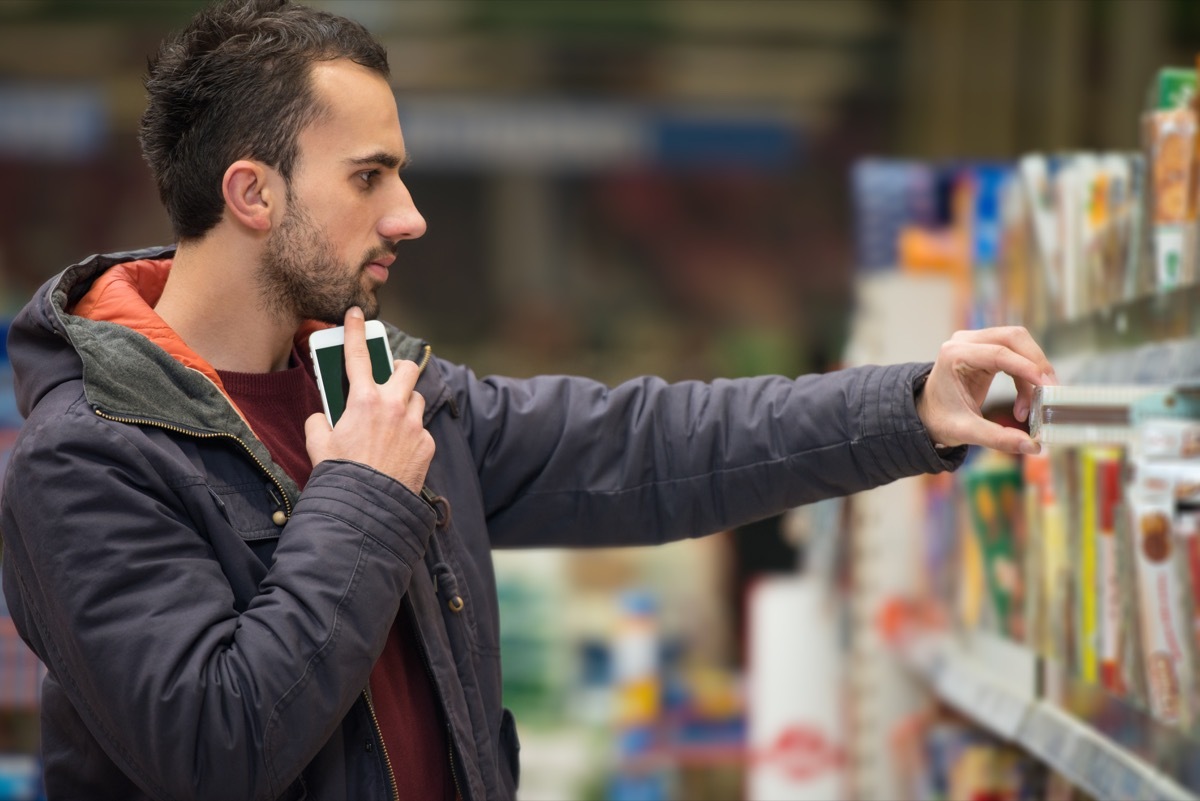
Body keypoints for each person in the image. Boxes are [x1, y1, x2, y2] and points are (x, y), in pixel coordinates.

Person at [0, 1, 1055, 799]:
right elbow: (216, 745)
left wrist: (908, 404)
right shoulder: (85, 455)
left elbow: (647, 449)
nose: (410, 216)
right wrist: (363, 490)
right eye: (371, 177)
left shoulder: (382, 387)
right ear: (253, 193)